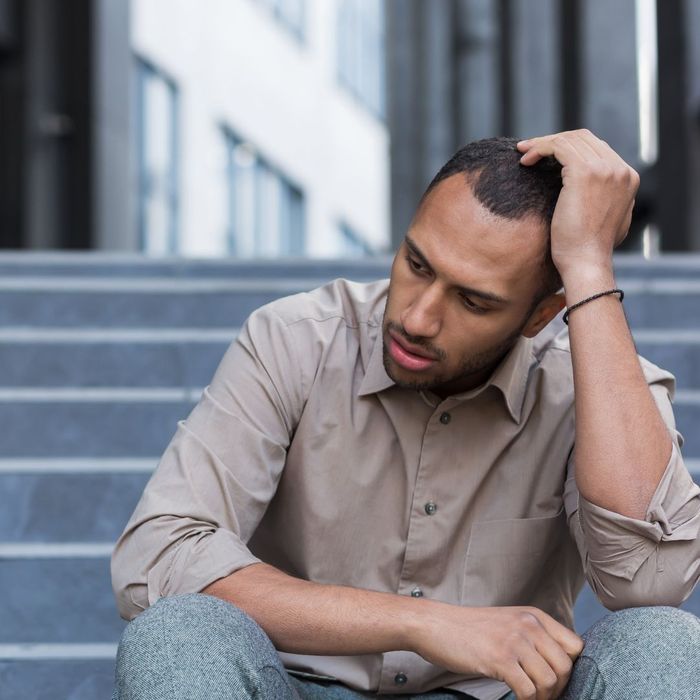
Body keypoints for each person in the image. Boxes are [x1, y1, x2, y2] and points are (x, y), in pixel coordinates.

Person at [110, 130, 700, 700]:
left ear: (541, 315)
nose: (418, 319)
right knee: (177, 633)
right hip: (298, 685)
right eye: (417, 264)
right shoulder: (296, 340)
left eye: (474, 301)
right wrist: (423, 623)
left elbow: (651, 579)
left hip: (495, 696)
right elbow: (159, 557)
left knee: (663, 643)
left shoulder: (593, 382)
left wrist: (589, 269)